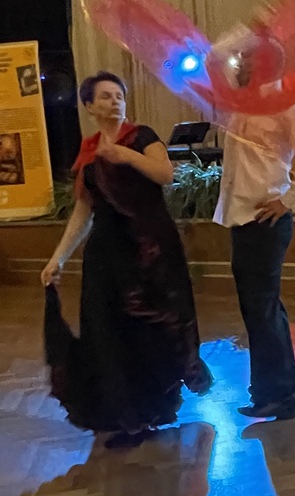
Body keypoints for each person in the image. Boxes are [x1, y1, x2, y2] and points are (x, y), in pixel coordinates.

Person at [41, 71, 212, 449]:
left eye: (118, 95)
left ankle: (149, 412)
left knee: (147, 331)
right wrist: (58, 258)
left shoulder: (141, 137)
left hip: (148, 249)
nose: (114, 101)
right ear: (89, 106)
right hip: (106, 252)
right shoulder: (89, 150)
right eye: (105, 96)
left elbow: (165, 174)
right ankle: (121, 413)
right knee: (106, 331)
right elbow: (84, 210)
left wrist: (125, 155)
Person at [213, 33, 295, 421]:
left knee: (261, 310)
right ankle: (286, 385)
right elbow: (214, 59)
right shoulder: (240, 102)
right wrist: (243, 36)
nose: (240, 61)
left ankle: (277, 396)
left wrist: (288, 197)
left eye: (248, 56)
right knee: (262, 309)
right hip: (245, 218)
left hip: (266, 219)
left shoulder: (284, 104)